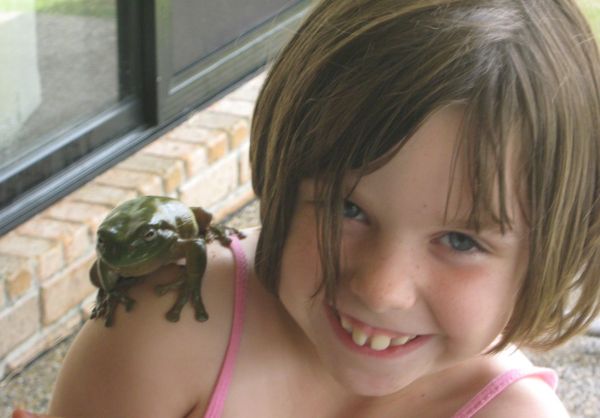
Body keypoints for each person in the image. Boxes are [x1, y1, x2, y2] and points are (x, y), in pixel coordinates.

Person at [16, 0, 600, 416]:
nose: (381, 288)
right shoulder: (166, 325)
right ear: (281, 170)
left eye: (461, 241)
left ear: (551, 254)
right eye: (347, 208)